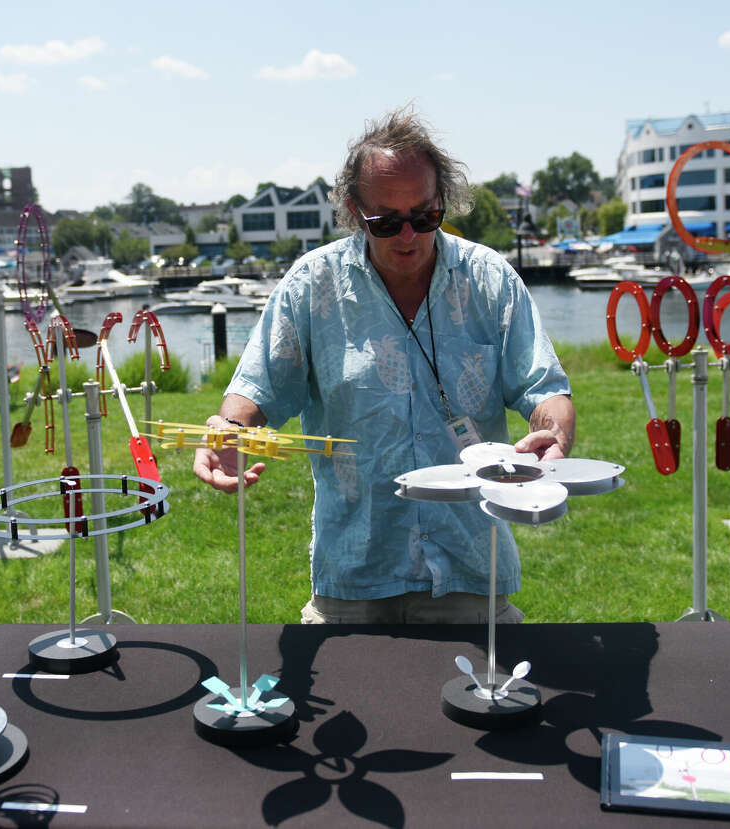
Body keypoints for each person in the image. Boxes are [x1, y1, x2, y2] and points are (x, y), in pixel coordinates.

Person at [193, 105, 575, 624]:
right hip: (355, 572)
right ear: (354, 210)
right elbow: (257, 389)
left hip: (470, 567)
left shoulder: (490, 280)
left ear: (442, 202)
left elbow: (544, 387)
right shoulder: (312, 285)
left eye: (424, 216)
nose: (408, 236)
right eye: (385, 221)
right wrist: (230, 431)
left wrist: (553, 432)